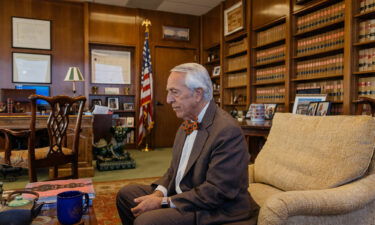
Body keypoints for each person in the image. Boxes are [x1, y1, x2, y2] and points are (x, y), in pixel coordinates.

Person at [116, 63, 259, 225]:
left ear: (198, 94)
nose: (168, 99)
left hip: (215, 209)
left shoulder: (227, 131)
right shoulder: (187, 123)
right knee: (126, 195)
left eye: (174, 92)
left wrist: (164, 202)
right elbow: (173, 171)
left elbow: (217, 192)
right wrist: (158, 194)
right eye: (169, 92)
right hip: (185, 193)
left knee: (146, 221)